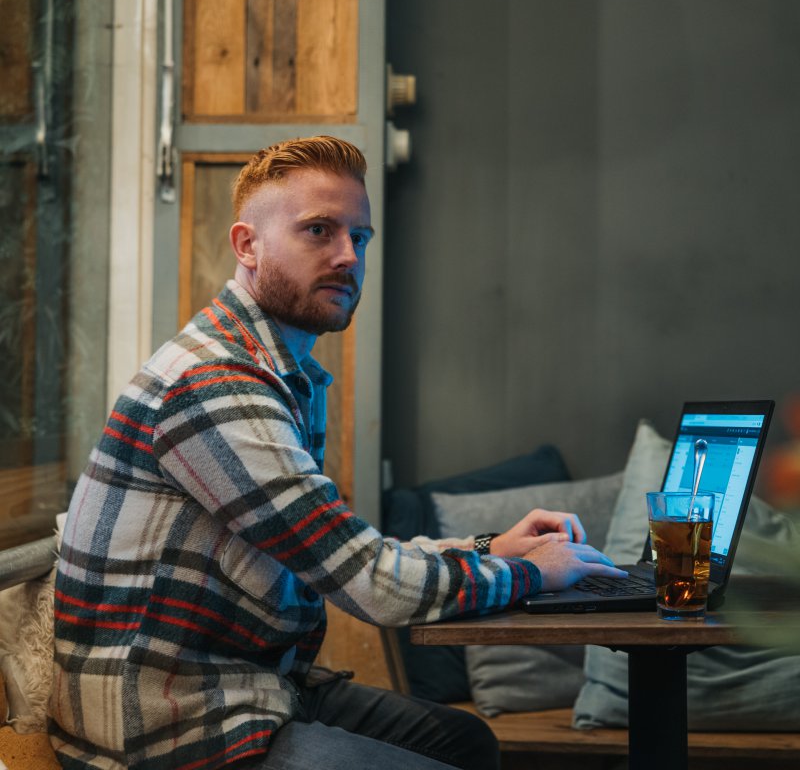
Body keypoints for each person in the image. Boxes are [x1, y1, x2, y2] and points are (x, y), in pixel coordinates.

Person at [50, 136, 626, 770]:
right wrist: (535, 573)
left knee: (466, 742)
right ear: (248, 245)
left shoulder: (278, 372)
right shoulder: (215, 387)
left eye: (361, 237)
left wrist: (490, 549)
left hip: (250, 686)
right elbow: (370, 584)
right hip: (168, 724)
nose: (348, 256)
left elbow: (342, 552)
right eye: (319, 231)